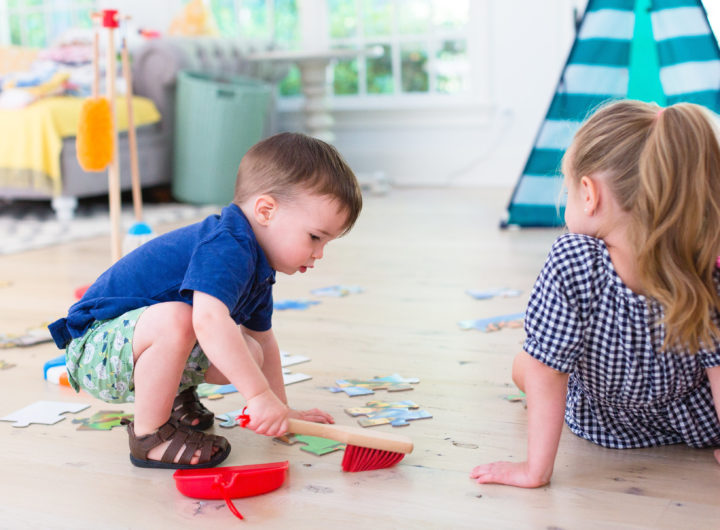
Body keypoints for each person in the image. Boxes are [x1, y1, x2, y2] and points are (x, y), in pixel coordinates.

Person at [49, 132, 363, 469]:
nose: (319, 254)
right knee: (186, 319)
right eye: (315, 237)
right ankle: (149, 435)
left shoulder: (258, 267)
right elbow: (208, 321)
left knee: (249, 350)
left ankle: (173, 401)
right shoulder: (227, 245)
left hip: (132, 346)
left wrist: (278, 408)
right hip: (95, 347)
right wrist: (257, 397)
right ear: (266, 210)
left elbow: (263, 340)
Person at [471, 100, 720, 488]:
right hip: (694, 420)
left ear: (589, 193)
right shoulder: (703, 260)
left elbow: (547, 368)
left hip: (603, 422)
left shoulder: (573, 259)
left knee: (526, 364)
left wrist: (534, 470)